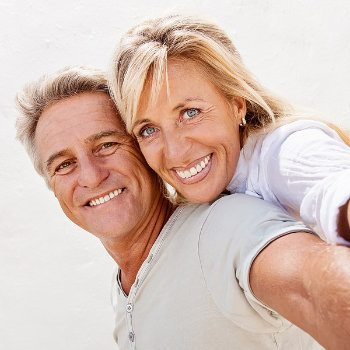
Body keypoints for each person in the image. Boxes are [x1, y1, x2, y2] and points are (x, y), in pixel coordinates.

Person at [15, 66, 350, 350]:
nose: (90, 176)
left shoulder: (224, 228)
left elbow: (313, 285)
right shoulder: (127, 291)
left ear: (145, 151)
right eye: (64, 164)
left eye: (106, 145)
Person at [109, 14, 350, 246]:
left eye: (190, 113)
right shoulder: (194, 210)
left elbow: (334, 187)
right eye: (148, 130)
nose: (176, 153)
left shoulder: (284, 152)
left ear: (237, 105)